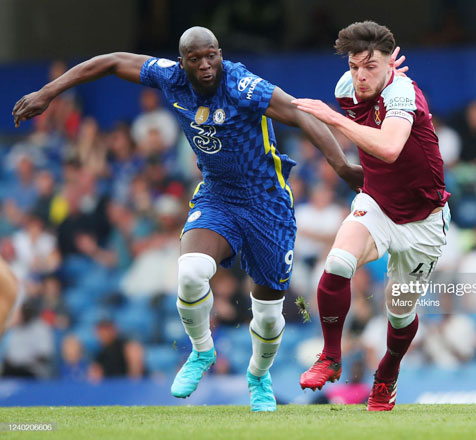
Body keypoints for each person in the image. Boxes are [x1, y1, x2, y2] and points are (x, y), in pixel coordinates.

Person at [13, 26, 363, 412]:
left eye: (211, 55)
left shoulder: (243, 85)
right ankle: (200, 352)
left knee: (267, 314)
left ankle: (258, 376)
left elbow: (299, 113)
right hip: (218, 196)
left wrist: (342, 165)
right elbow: (110, 62)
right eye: (195, 59)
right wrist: (48, 93)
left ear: (219, 53)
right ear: (183, 62)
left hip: (267, 204)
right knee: (191, 271)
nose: (205, 64)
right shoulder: (169, 77)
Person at [293, 21, 450, 411]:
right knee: (338, 261)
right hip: (377, 203)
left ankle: (387, 375)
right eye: (354, 66)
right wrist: (373, 72)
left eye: (371, 67)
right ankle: (330, 356)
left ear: (390, 67)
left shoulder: (404, 92)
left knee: (399, 315)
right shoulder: (347, 89)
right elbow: (361, 95)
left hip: (422, 220)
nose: (360, 77)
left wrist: (333, 118)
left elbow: (391, 146)